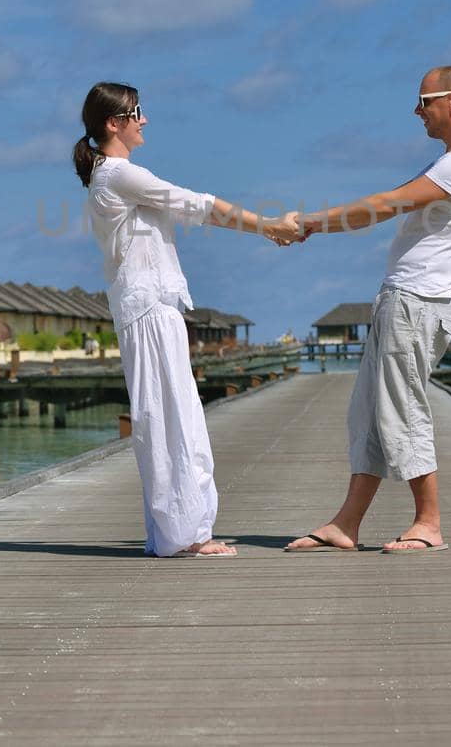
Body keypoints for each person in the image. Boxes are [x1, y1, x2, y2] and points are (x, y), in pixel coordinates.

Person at [74, 81, 297, 558]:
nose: (145, 120)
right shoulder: (116, 175)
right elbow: (195, 203)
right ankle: (186, 536)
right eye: (137, 113)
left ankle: (177, 533)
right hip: (149, 308)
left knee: (172, 417)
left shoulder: (111, 177)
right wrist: (269, 226)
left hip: (150, 307)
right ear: (114, 124)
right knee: (171, 419)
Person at [284, 65, 451, 554]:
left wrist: (315, 222)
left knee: (401, 411)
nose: (416, 110)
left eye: (425, 101)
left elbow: (385, 204)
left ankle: (429, 522)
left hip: (417, 304)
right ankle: (347, 522)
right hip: (404, 300)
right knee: (371, 414)